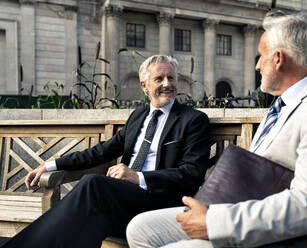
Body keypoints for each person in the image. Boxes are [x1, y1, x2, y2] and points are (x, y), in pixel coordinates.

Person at [125, 12, 307, 248]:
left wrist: (215, 221)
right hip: (246, 213)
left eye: (260, 56)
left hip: (285, 237)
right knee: (140, 227)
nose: (257, 66)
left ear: (278, 59)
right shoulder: (283, 105)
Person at [2, 55, 210, 248]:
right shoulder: (138, 117)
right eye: (159, 78)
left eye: (171, 78)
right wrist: (50, 165)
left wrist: (137, 177)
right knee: (92, 219)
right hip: (123, 201)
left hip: (160, 201)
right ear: (144, 86)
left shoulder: (192, 120)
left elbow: (191, 174)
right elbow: (100, 152)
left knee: (93, 184)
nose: (167, 84)